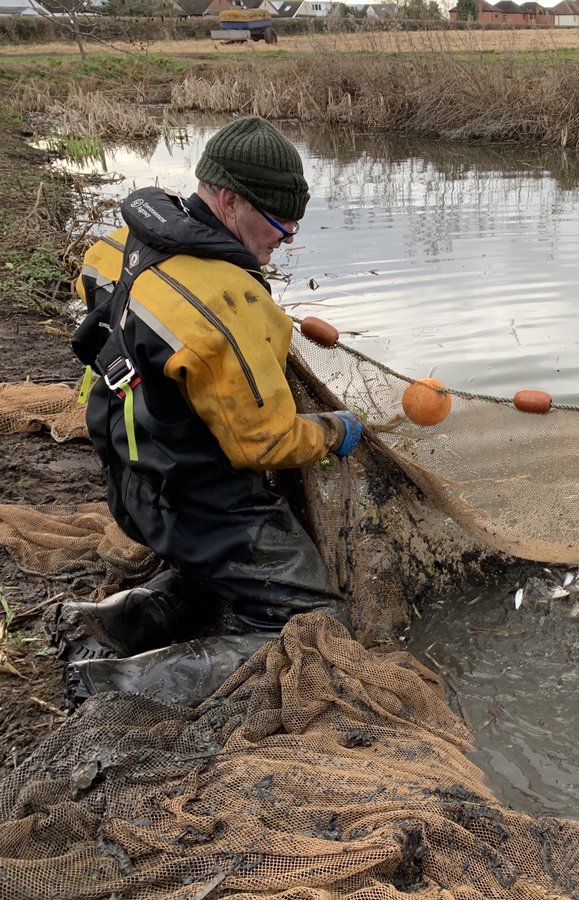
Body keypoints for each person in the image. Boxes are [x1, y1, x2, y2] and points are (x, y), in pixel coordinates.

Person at [53, 116, 363, 672]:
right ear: (228, 200)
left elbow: (136, 311)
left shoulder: (119, 245)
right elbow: (264, 446)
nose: (286, 239)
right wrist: (335, 430)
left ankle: (104, 620)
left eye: (293, 226)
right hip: (196, 500)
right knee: (311, 628)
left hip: (130, 482)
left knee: (219, 577)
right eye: (277, 224)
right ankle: (120, 686)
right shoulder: (226, 302)